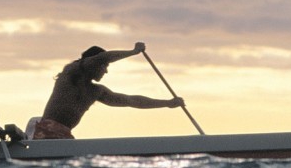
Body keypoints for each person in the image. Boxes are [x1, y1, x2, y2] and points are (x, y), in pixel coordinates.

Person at [26, 42, 183, 140]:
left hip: (64, 135)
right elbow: (102, 58)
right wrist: (133, 52)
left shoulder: (96, 91)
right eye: (105, 67)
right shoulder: (70, 73)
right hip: (46, 131)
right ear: (93, 64)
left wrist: (168, 103)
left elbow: (131, 101)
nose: (106, 71)